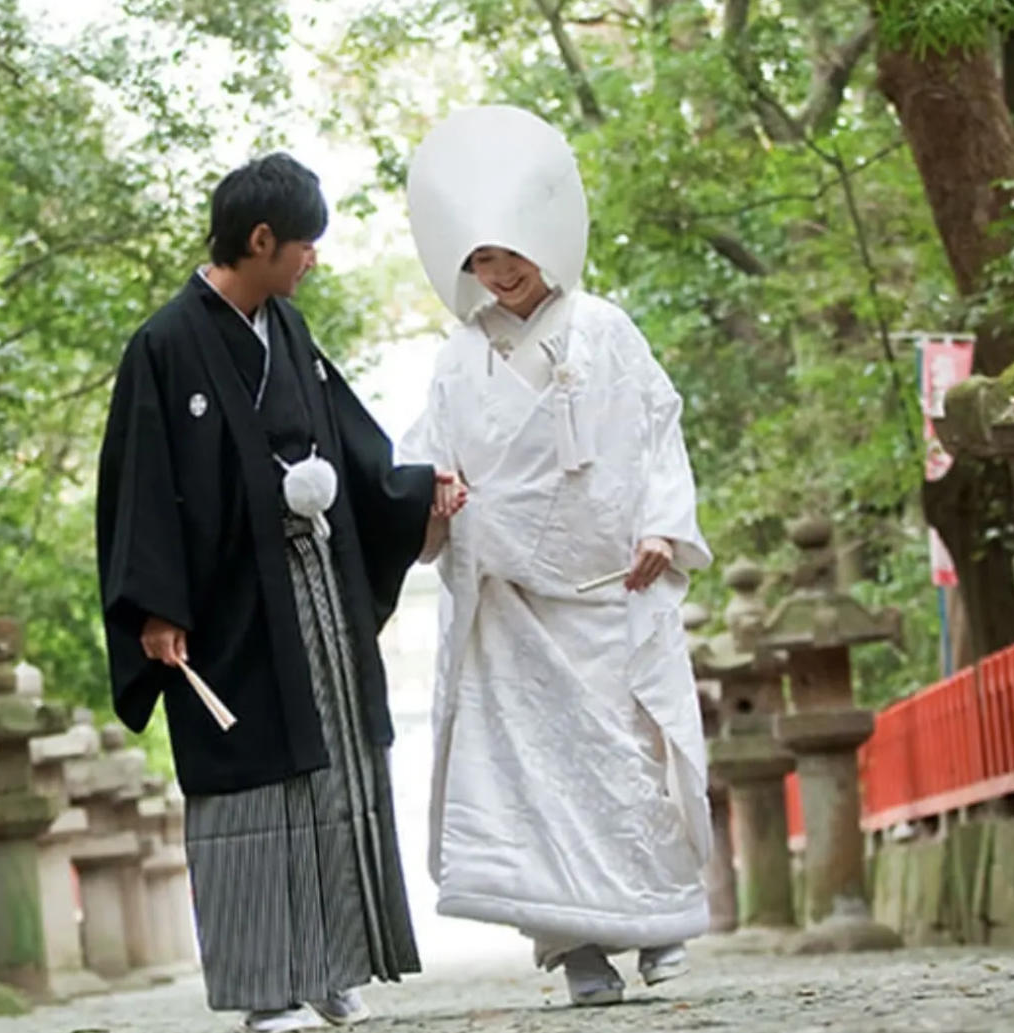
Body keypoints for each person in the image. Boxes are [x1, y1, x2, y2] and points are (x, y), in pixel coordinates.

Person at [95, 152, 466, 1033]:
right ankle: (267, 987)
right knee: (252, 787)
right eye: (305, 244)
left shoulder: (289, 332)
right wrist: (156, 607)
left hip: (314, 588)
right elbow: (139, 489)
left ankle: (333, 967)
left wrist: (413, 488)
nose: (312, 261)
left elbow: (349, 443)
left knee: (335, 766)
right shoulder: (163, 344)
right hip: (225, 610)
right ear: (260, 239)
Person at [399, 105, 716, 1007]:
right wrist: (438, 486)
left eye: (508, 258)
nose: (497, 278)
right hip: (510, 595)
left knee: (626, 753)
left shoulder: (607, 330)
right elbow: (429, 452)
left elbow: (659, 433)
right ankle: (574, 946)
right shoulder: (457, 360)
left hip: (608, 577)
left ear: (544, 243)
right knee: (534, 771)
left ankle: (655, 917)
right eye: (480, 265)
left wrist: (661, 523)